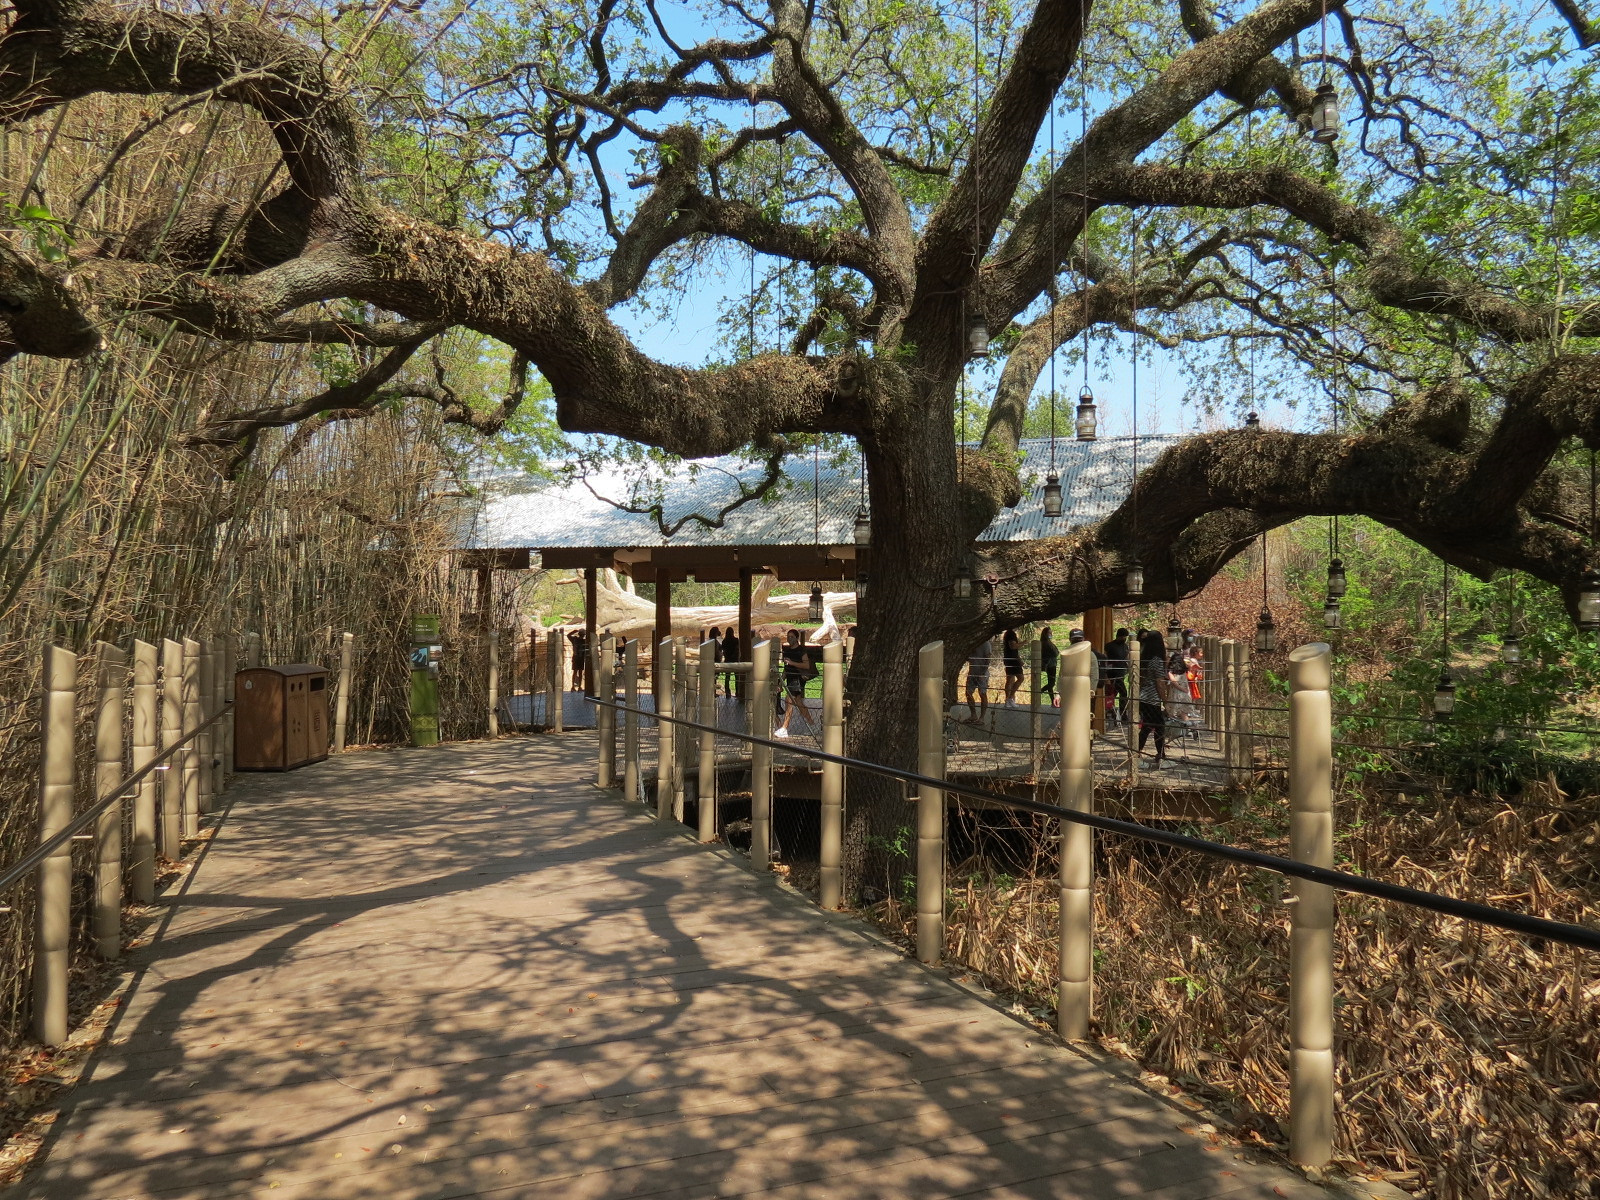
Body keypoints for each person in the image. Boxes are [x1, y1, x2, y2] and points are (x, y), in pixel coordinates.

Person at [1136, 629, 1170, 767]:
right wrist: (1165, 700)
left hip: (1143, 696)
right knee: (1159, 727)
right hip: (1152, 698)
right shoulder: (1156, 660)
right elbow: (1159, 683)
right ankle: (1160, 756)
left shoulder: (1144, 658)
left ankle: (1138, 752)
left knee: (1148, 726)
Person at [775, 629, 817, 737]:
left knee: (789, 701)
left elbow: (806, 665)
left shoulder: (801, 650)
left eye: (792, 637)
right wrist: (781, 682)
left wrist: (792, 663)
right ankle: (812, 724)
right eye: (788, 637)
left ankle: (784, 727)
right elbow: (786, 668)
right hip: (789, 678)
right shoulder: (787, 650)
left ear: (797, 638)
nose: (789, 639)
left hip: (797, 679)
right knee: (798, 703)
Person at [1102, 627, 1131, 725]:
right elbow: (1105, 660)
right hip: (1112, 674)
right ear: (1119, 636)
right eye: (1123, 637)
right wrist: (1106, 675)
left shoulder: (1125, 646)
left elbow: (1126, 658)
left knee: (1120, 693)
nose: (1124, 639)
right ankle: (1116, 713)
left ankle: (1120, 713)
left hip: (1121, 673)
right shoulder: (1109, 646)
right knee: (1117, 693)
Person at [965, 636, 994, 723]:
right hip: (972, 672)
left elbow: (988, 659)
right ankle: (973, 715)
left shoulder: (986, 644)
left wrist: (983, 672)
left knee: (982, 693)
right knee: (968, 693)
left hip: (982, 673)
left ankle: (982, 717)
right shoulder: (972, 644)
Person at [1067, 629, 1102, 695]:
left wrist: (1091, 689)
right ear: (1070, 639)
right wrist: (1058, 692)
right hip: (1069, 689)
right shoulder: (1066, 654)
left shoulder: (1090, 654)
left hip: (1085, 690)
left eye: (1079, 639)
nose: (1077, 642)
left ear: (1083, 639)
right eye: (1075, 639)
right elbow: (1062, 674)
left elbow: (1094, 673)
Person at [1001, 628, 1025, 705]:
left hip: (1010, 659)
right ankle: (1010, 697)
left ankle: (1008, 699)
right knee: (1020, 678)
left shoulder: (1007, 633)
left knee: (1010, 679)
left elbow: (1013, 650)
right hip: (1012, 660)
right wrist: (1023, 643)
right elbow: (1013, 646)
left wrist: (1019, 659)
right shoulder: (1011, 634)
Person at [1039, 627, 1059, 705]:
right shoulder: (1046, 643)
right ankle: (1040, 691)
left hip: (1049, 664)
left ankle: (1052, 701)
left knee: (1050, 683)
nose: (1050, 634)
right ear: (1045, 634)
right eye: (1049, 633)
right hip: (1051, 664)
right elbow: (1055, 653)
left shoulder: (1045, 642)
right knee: (1052, 683)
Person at [567, 627, 590, 693]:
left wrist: (573, 631)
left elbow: (568, 635)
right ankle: (578, 686)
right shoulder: (581, 641)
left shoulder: (575, 639)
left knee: (576, 672)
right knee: (579, 672)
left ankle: (574, 686)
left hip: (577, 657)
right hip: (579, 657)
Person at [720, 626, 740, 695]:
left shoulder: (724, 641)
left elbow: (723, 651)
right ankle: (737, 692)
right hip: (735, 660)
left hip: (727, 660)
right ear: (732, 632)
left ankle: (727, 693)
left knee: (727, 677)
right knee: (736, 678)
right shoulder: (736, 640)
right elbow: (737, 650)